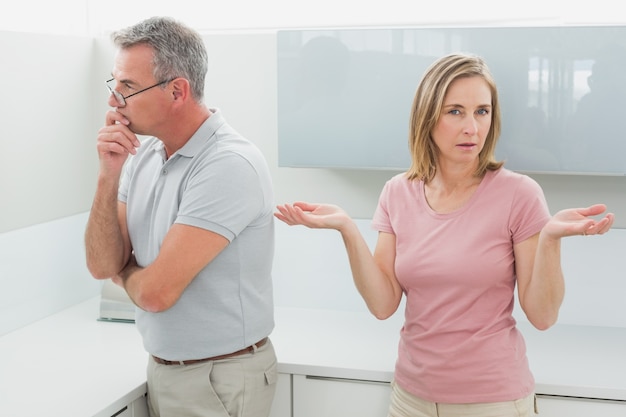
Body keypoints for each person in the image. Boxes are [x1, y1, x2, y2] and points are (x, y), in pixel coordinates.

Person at [275, 53, 614, 417]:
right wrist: (347, 229)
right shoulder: (397, 193)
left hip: (493, 401)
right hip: (410, 399)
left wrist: (550, 239)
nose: (472, 127)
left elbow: (543, 316)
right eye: (455, 111)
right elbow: (383, 304)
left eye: (482, 111)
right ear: (427, 116)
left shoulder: (519, 194)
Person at [84, 16, 277, 417]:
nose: (113, 99)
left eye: (128, 86)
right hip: (166, 369)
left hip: (219, 378)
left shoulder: (228, 164)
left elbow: (156, 294)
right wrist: (108, 173)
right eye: (114, 82)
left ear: (177, 91)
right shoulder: (143, 157)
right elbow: (103, 265)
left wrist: (128, 272)